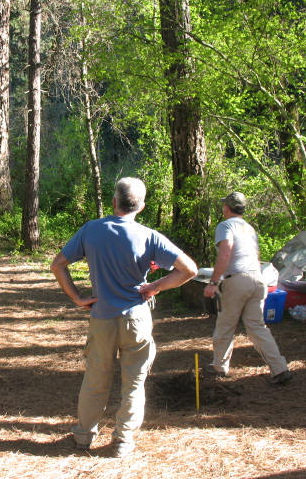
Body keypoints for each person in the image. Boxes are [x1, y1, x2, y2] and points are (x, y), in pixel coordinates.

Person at [50, 177, 197, 458]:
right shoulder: (150, 236)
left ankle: (83, 436)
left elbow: (58, 265)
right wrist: (155, 286)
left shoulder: (92, 229)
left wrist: (77, 298)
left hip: (102, 318)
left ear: (114, 201)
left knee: (95, 379)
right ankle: (122, 441)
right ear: (141, 206)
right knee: (134, 383)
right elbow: (189, 269)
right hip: (136, 319)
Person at [203, 192, 292, 385]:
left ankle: (219, 366)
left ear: (227, 208)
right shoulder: (249, 228)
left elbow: (225, 253)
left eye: (224, 206)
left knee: (225, 325)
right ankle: (279, 368)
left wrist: (213, 283)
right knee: (257, 327)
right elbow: (255, 256)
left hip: (237, 280)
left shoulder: (225, 225)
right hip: (258, 279)